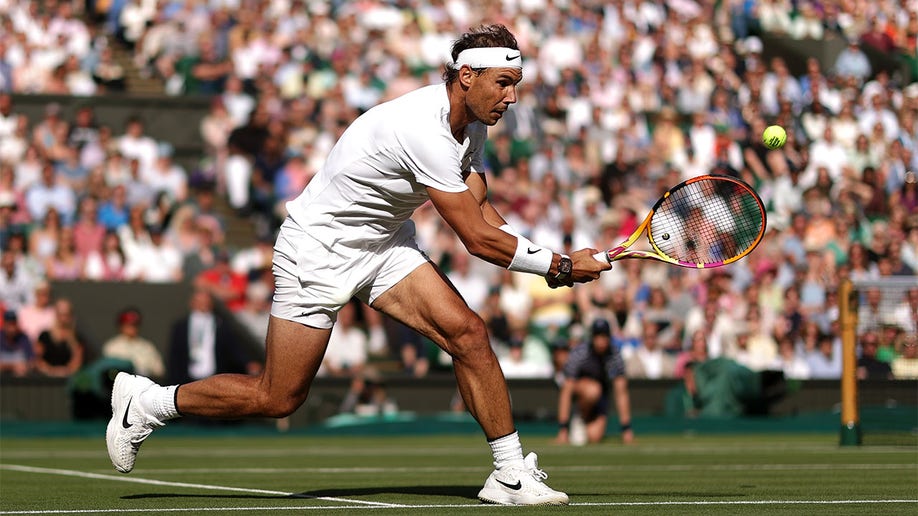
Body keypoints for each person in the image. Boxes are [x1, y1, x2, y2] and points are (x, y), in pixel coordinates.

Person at [106, 24, 608, 506]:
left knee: (469, 334)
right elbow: (476, 239)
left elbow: (483, 211)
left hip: (385, 245)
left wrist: (557, 258)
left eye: (515, 85)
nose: (512, 98)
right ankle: (150, 403)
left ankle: (509, 474)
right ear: (467, 77)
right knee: (278, 397)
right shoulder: (422, 128)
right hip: (319, 250)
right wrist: (559, 268)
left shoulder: (471, 126)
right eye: (504, 84)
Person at [555, 318, 634, 446]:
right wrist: (562, 429)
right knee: (593, 390)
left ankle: (584, 421)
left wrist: (626, 429)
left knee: (594, 437)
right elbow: (567, 389)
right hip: (581, 393)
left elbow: (621, 392)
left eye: (604, 336)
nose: (601, 341)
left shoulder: (615, 355)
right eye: (598, 336)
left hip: (601, 398)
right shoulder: (580, 353)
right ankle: (577, 417)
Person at [166, 287, 262, 385]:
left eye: (206, 302)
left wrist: (248, 362)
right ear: (192, 303)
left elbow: (233, 347)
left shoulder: (219, 325)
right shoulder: (181, 326)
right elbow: (175, 355)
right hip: (188, 379)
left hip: (214, 377)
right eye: (199, 301)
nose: (203, 305)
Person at [101, 307, 166, 381]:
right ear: (121, 326)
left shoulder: (147, 346)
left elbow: (159, 371)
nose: (131, 328)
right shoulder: (112, 346)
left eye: (134, 324)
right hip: (122, 386)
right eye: (128, 324)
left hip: (144, 384)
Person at [0, 310, 34, 377]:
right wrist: (13, 366)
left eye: (13, 324)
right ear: (4, 325)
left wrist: (26, 366)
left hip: (19, 382)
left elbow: (32, 361)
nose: (11, 329)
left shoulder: (24, 338)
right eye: (9, 325)